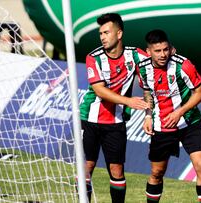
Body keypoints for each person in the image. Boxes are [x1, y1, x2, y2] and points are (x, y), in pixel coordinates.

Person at [79, 13, 149, 203]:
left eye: (106, 32)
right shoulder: (93, 57)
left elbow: (151, 75)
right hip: (90, 119)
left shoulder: (135, 55)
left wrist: (149, 114)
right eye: (100, 33)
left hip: (116, 121)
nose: (102, 37)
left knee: (117, 169)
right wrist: (128, 102)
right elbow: (100, 91)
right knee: (87, 166)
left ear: (119, 34)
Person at [137, 29, 201, 203]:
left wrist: (180, 111)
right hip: (162, 126)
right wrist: (148, 115)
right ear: (148, 52)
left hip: (189, 123)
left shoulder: (183, 65)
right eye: (157, 51)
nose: (163, 54)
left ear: (170, 48)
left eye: (165, 49)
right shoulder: (143, 69)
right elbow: (148, 93)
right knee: (157, 173)